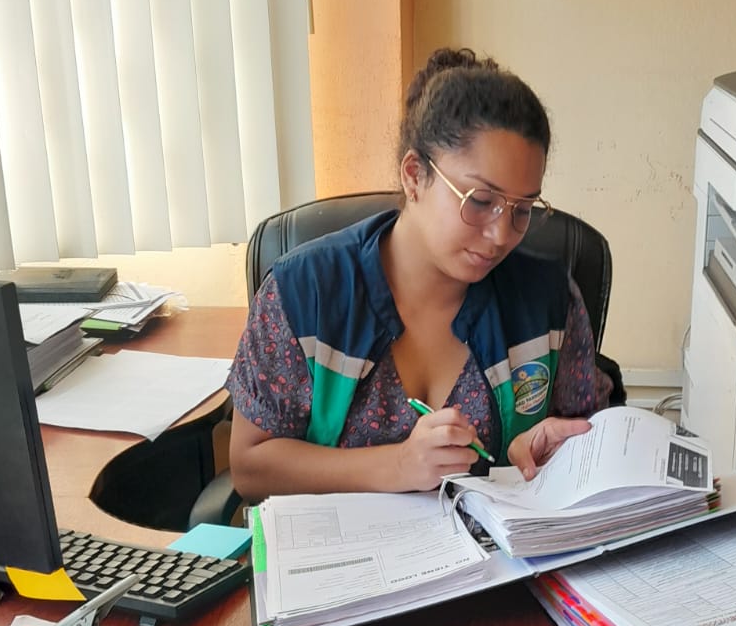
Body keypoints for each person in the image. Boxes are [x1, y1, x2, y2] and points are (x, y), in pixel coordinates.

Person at [228, 47, 611, 500]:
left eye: (523, 209)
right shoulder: (304, 293)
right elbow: (251, 467)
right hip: (345, 542)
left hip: (497, 544)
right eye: (481, 201)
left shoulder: (550, 301)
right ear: (414, 175)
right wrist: (398, 466)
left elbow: (591, 441)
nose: (501, 234)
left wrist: (549, 455)